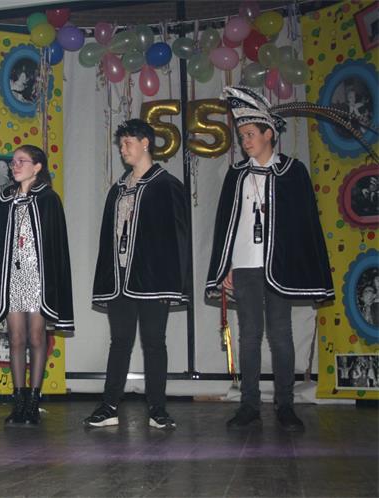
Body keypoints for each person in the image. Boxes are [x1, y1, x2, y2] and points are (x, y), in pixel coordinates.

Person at [206, 86, 334, 432]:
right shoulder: (237, 174)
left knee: (281, 334)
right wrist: (225, 265)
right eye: (242, 135)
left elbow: (305, 225)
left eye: (250, 134)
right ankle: (249, 405)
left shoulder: (293, 171)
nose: (245, 141)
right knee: (248, 334)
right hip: (245, 265)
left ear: (269, 134)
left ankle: (285, 405)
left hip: (279, 267)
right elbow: (226, 224)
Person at [84, 119, 189, 431]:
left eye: (128, 143)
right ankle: (109, 405)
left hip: (153, 280)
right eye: (120, 144)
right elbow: (108, 238)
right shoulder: (118, 189)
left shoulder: (167, 185)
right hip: (120, 280)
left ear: (146, 143)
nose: (123, 149)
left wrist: (173, 281)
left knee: (154, 342)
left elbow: (178, 237)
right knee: (120, 341)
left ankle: (158, 408)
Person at [0, 144, 74, 426]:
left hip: (38, 278)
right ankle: (19, 401)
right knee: (15, 338)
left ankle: (34, 402)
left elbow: (56, 246)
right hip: (13, 277)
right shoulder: (3, 200)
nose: (15, 166)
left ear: (37, 167)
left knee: (37, 337)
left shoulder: (49, 200)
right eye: (13, 162)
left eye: (21, 161)